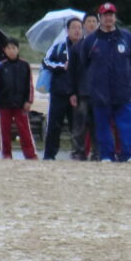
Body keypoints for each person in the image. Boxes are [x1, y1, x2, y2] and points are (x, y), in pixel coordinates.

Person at [80, 2, 131, 163]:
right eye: (105, 15)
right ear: (100, 18)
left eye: (111, 15)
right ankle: (107, 155)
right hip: (100, 94)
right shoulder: (91, 41)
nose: (108, 18)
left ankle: (127, 155)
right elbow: (85, 63)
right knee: (103, 127)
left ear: (115, 17)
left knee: (128, 124)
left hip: (123, 92)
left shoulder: (126, 37)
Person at [44, 17, 83, 160]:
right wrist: (61, 66)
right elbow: (46, 61)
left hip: (78, 94)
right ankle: (49, 155)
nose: (77, 30)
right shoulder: (59, 45)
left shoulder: (85, 46)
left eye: (79, 27)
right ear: (67, 30)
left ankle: (78, 154)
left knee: (78, 127)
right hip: (59, 93)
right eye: (74, 27)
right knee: (54, 126)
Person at [0, 37, 38, 160]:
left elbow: (29, 84)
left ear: (18, 49)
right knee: (5, 131)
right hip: (5, 104)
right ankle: (6, 154)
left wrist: (29, 101)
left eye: (13, 48)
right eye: (8, 48)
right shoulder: (1, 66)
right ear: (4, 50)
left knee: (24, 130)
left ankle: (30, 154)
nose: (11, 51)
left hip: (21, 104)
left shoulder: (25, 65)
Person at [69, 14, 99, 160]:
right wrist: (72, 92)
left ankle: (97, 153)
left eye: (94, 21)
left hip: (99, 92)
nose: (92, 24)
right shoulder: (77, 47)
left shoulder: (103, 44)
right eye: (89, 22)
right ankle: (78, 152)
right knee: (79, 125)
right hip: (81, 91)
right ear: (84, 25)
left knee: (98, 124)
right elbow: (72, 72)